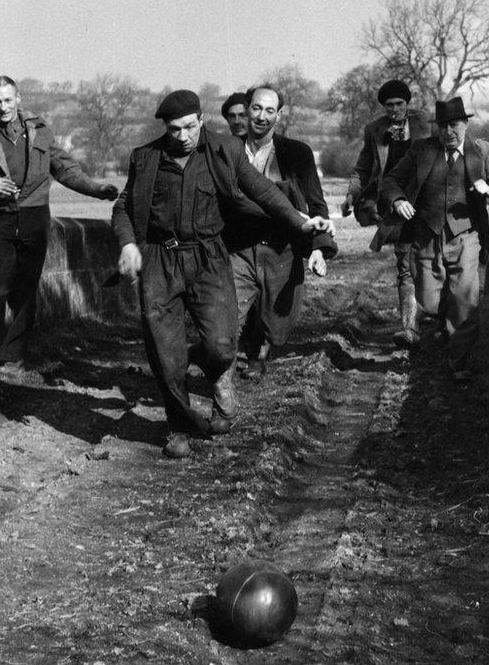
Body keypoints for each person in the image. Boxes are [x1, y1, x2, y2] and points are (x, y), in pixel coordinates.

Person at [111, 89, 333, 453]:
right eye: (173, 130)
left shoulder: (224, 151)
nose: (182, 137)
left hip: (209, 259)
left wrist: (299, 222)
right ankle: (179, 428)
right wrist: (128, 243)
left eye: (188, 127)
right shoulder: (145, 158)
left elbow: (262, 190)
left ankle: (215, 378)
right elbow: (123, 207)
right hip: (160, 261)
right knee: (166, 351)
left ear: (201, 120)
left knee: (222, 343)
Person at [0, 75, 118, 368]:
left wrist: (97, 189)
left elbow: (65, 169)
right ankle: (14, 344)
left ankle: (13, 351)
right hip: (1, 218)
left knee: (28, 284)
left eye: (8, 100)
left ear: (18, 98)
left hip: (35, 216)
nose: (3, 106)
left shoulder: (41, 131)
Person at [380, 97, 489, 380]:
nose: (448, 132)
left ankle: (459, 362)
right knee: (428, 301)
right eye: (442, 126)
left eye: (454, 125)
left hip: (465, 236)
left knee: (465, 300)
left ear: (465, 124)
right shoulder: (421, 150)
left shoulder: (482, 150)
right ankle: (443, 321)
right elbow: (391, 181)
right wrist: (398, 200)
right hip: (427, 235)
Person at [221, 84, 337, 381]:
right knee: (230, 311)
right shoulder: (227, 152)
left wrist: (319, 248)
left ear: (279, 115)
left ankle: (260, 352)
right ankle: (232, 367)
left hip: (282, 247)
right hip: (239, 246)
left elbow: (315, 203)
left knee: (274, 318)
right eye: (257, 108)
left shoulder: (297, 153)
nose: (262, 116)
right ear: (246, 110)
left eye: (270, 110)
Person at [342, 80, 431, 346]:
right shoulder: (374, 130)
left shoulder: (425, 125)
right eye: (389, 105)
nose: (394, 109)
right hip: (395, 204)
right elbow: (363, 167)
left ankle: (438, 318)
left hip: (427, 203)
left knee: (432, 262)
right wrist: (351, 195)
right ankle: (410, 328)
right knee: (405, 264)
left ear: (408, 104)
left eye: (399, 104)